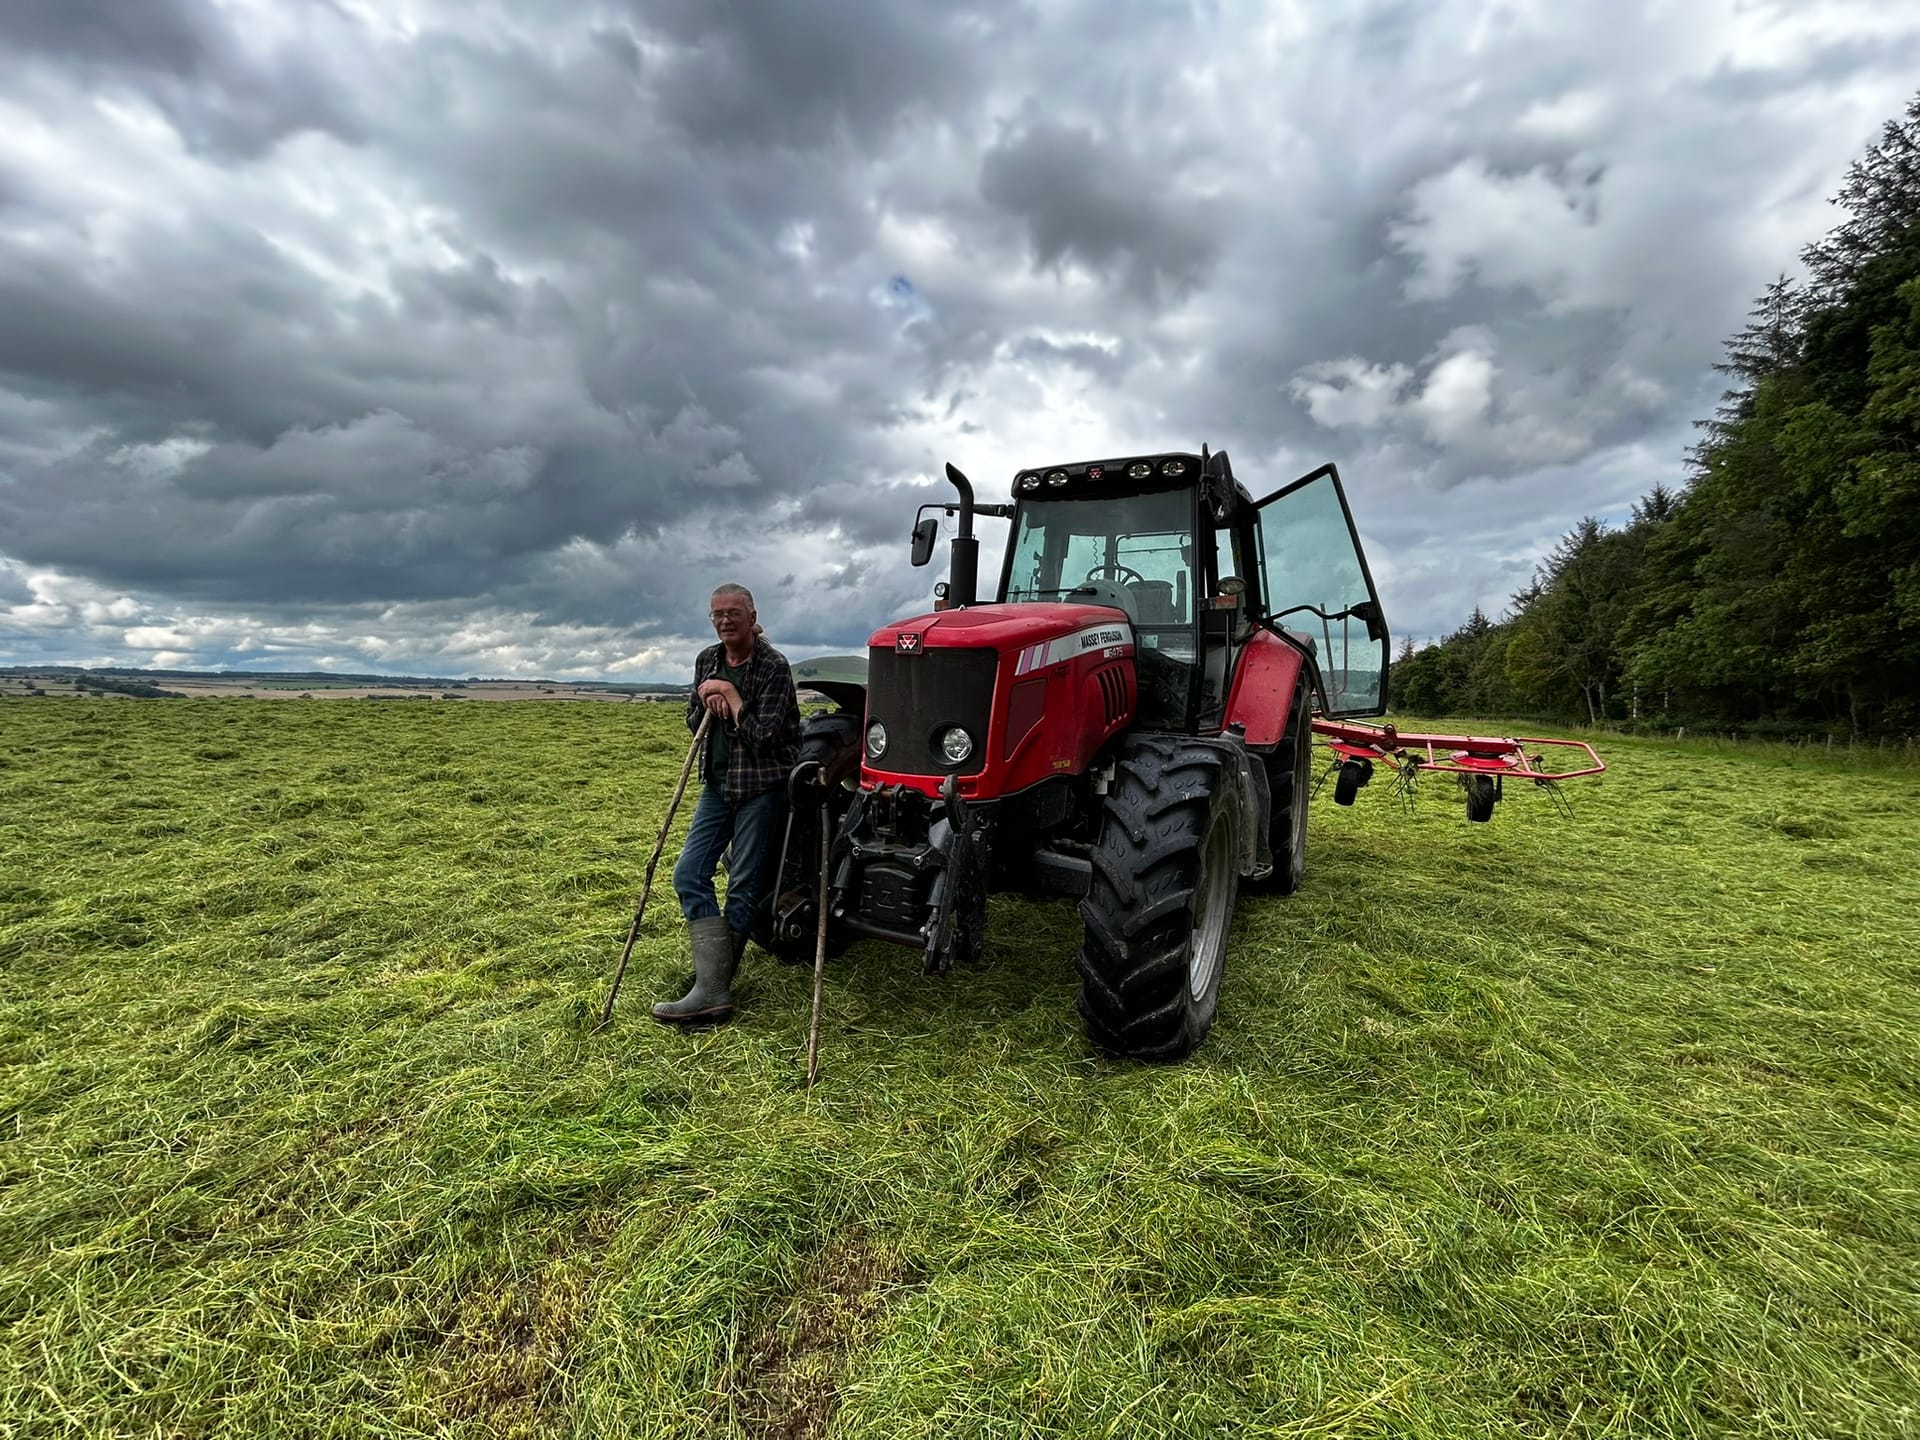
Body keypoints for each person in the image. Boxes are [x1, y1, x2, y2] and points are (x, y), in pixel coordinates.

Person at [653, 583, 801, 1026]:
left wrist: (734, 701)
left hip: (761, 788)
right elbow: (694, 722)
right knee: (689, 872)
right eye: (717, 613)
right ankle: (711, 979)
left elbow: (766, 738)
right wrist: (705, 700)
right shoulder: (708, 660)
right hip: (717, 786)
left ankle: (713, 990)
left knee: (743, 883)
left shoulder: (773, 667)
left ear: (752, 615)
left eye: (733, 612)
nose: (724, 620)